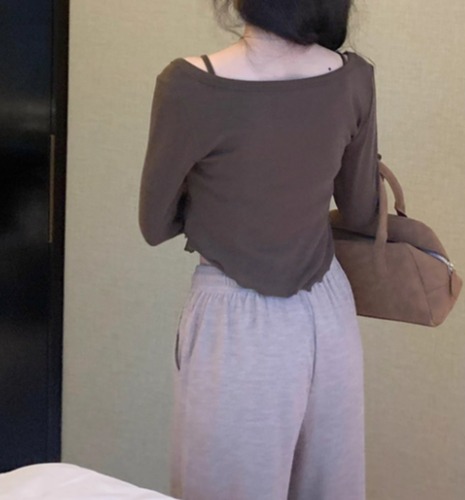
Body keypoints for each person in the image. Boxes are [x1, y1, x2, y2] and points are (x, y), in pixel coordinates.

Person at [139, 1, 381, 499]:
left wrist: (222, 209)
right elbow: (361, 213)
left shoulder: (190, 85)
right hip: (328, 310)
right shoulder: (353, 77)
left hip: (234, 316)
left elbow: (155, 224)